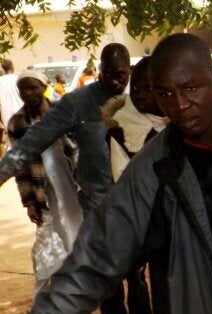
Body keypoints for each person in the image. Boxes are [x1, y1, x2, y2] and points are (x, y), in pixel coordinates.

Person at [33, 33, 212, 313]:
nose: (179, 105)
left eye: (189, 88)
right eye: (164, 93)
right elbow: (98, 253)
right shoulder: (154, 167)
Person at [0, 43, 131, 212]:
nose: (114, 81)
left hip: (136, 202)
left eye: (120, 75)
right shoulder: (77, 103)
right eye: (106, 74)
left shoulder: (141, 98)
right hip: (97, 204)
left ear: (129, 70)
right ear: (100, 70)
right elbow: (31, 143)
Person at [100, 56, 168, 313]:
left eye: (147, 87)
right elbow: (122, 179)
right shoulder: (121, 130)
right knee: (131, 275)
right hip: (134, 217)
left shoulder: (176, 124)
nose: (139, 93)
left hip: (167, 220)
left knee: (164, 279)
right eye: (135, 87)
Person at [8, 69, 82, 298]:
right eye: (23, 89)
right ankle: (43, 299)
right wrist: (29, 202)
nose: (28, 93)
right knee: (46, 246)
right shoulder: (17, 123)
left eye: (33, 87)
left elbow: (81, 148)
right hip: (43, 191)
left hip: (72, 187)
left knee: (76, 238)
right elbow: (19, 167)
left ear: (44, 86)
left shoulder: (63, 112)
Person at [0, 59, 24, 152]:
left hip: (6, 115)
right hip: (22, 114)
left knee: (13, 143)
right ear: (12, 67)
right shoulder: (19, 79)